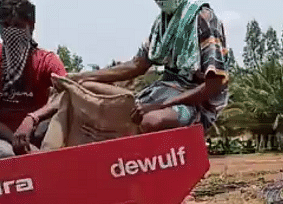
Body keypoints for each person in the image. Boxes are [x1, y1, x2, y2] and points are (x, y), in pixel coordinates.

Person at [71, 0, 229, 133]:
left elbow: (214, 84)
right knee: (96, 98)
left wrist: (158, 106)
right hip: (164, 91)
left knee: (150, 121)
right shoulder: (161, 24)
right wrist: (80, 77)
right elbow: (137, 64)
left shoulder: (204, 18)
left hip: (195, 103)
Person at [0, 0, 67, 160]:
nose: (11, 33)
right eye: (6, 26)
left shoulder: (47, 61)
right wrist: (14, 137)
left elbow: (66, 95)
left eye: (18, 26)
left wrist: (32, 119)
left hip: (40, 129)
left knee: (55, 155)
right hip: (0, 134)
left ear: (31, 27)